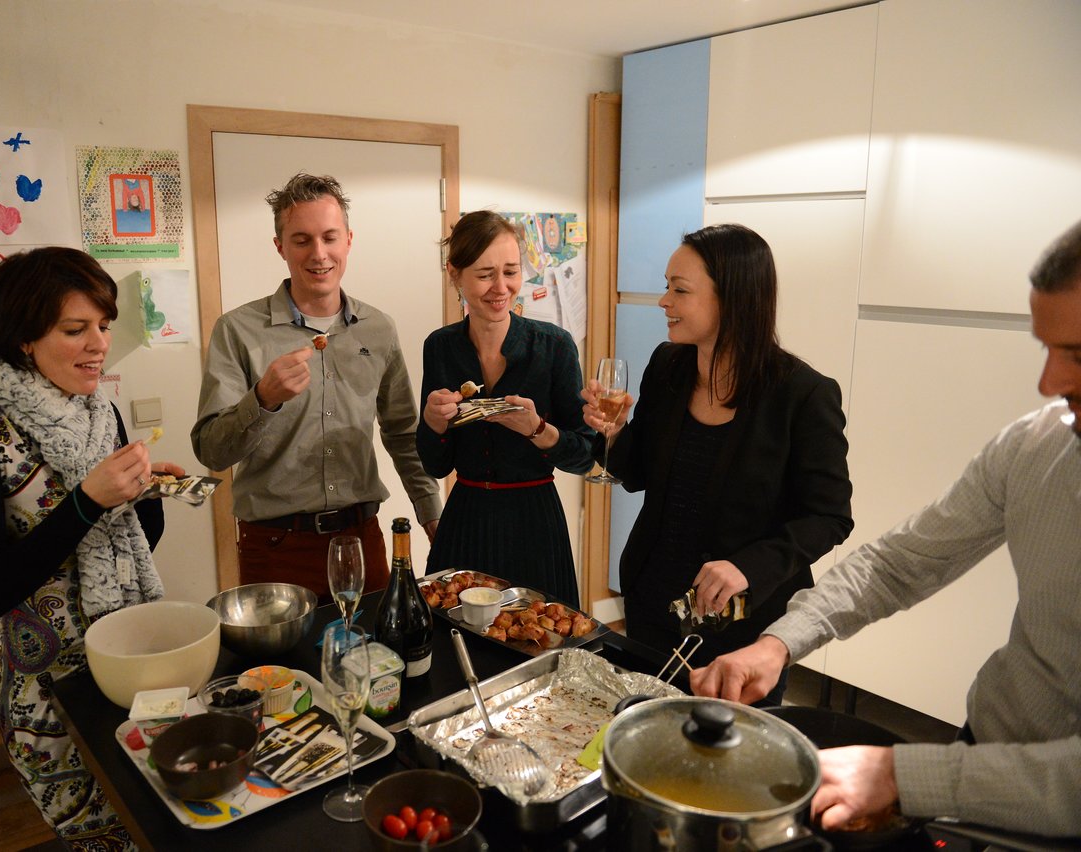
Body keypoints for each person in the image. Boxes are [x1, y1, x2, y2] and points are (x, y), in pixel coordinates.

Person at [690, 221, 1081, 838]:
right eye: (1048, 349)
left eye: (1078, 354)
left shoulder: (802, 391)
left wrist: (907, 776)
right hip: (985, 757)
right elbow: (899, 563)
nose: (1049, 383)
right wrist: (779, 642)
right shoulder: (1035, 446)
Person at [0, 247, 185, 850]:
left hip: (133, 671)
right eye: (76, 330)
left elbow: (138, 542)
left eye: (103, 325)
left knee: (166, 829)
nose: (99, 343)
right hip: (52, 696)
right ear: (23, 338)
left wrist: (143, 497)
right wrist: (88, 501)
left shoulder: (101, 415)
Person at [582, 224, 853, 698]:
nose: (664, 301)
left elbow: (830, 516)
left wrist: (748, 566)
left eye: (679, 290)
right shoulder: (668, 364)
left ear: (734, 298)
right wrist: (614, 432)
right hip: (652, 602)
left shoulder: (803, 394)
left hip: (741, 624)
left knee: (722, 761)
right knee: (644, 742)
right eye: (667, 286)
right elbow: (637, 473)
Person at [192, 173, 441, 601]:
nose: (319, 254)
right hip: (274, 547)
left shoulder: (378, 329)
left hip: (363, 538)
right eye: (302, 240)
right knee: (278, 670)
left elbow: (402, 432)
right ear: (280, 247)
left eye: (329, 237)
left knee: (375, 663)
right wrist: (263, 399)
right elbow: (212, 451)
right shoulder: (237, 330)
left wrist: (431, 513)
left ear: (348, 240)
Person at [417, 210, 595, 606]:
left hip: (535, 523)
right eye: (484, 274)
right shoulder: (441, 347)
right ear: (454, 273)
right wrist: (432, 423)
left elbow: (585, 456)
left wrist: (537, 429)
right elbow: (435, 466)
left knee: (541, 640)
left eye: (511, 272)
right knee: (452, 641)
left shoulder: (554, 346)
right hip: (465, 519)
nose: (501, 288)